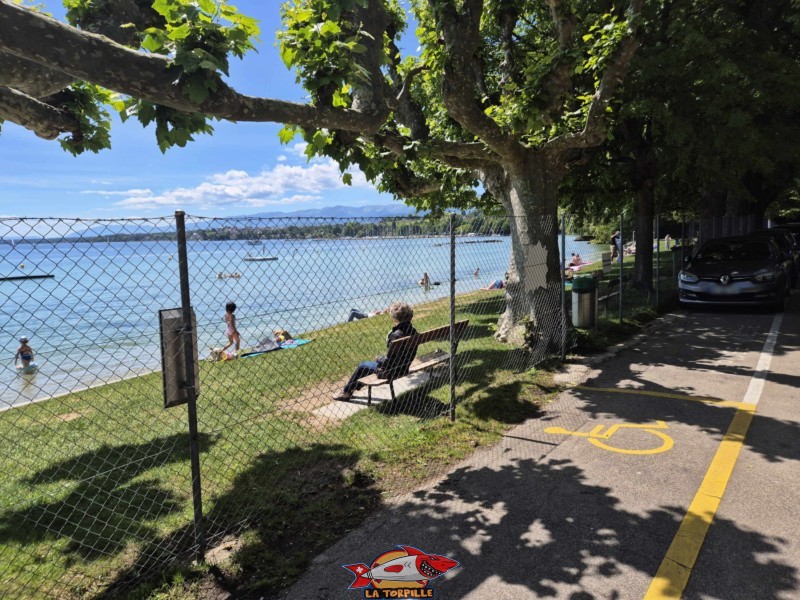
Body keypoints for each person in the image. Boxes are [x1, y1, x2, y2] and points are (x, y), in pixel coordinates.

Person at [333, 302, 418, 401]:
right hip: (404, 367)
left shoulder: (396, 335)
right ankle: (354, 387)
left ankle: (346, 392)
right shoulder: (414, 331)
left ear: (394, 318)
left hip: (391, 371)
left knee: (363, 366)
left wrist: (379, 358)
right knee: (367, 367)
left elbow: (387, 362)